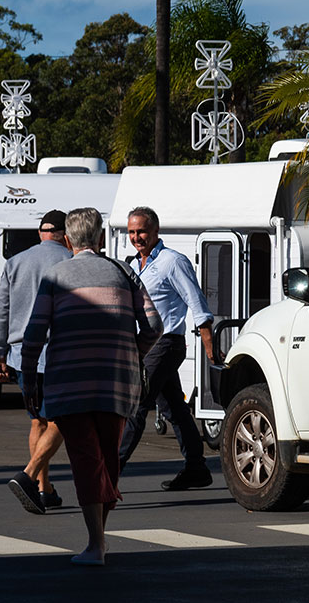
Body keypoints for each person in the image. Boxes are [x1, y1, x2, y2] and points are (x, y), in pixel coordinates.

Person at [20, 207, 161, 565]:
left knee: (86, 459)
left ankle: (95, 545)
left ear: (68, 241)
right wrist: (131, 352)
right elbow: (154, 326)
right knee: (107, 460)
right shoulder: (123, 271)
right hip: (116, 383)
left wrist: (27, 380)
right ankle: (98, 540)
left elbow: (34, 333)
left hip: (70, 385)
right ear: (100, 239)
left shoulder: (55, 276)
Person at [115, 206, 215, 489]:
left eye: (142, 231)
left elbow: (197, 302)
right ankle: (196, 468)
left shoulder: (172, 262)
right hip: (143, 347)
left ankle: (109, 475)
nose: (137, 237)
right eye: (132, 232)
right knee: (174, 408)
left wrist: (209, 347)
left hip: (166, 344)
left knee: (135, 406)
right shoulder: (133, 265)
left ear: (156, 231)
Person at [0, 209, 73, 513]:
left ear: (41, 233)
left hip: (21, 355)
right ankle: (30, 476)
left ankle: (45, 488)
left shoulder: (15, 262)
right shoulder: (70, 261)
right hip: (57, 353)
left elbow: (1, 311)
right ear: (65, 234)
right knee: (60, 421)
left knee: (37, 421)